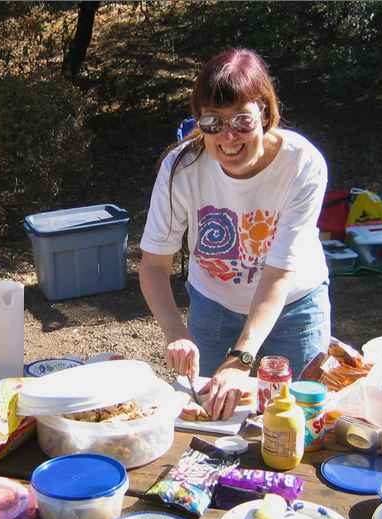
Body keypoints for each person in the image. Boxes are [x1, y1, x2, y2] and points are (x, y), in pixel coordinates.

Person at [139, 48, 331, 420]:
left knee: (293, 422)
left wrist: (241, 358)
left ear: (265, 112)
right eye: (213, 122)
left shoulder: (302, 164)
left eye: (241, 121)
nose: (227, 137)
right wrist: (176, 332)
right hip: (214, 307)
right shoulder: (182, 168)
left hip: (294, 307)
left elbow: (278, 274)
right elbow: (153, 265)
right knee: (215, 420)